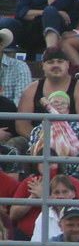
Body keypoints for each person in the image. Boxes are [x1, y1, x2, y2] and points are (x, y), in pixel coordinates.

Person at [16, 49, 79, 150]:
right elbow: (21, 124)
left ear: (67, 64)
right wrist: (42, 138)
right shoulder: (32, 89)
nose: (55, 65)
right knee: (14, 145)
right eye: (50, 62)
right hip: (38, 137)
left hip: (73, 137)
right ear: (43, 65)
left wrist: (61, 138)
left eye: (60, 61)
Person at [0, 29, 32, 157]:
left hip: (11, 127)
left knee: (12, 146)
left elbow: (20, 106)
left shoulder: (19, 67)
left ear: (1, 45)